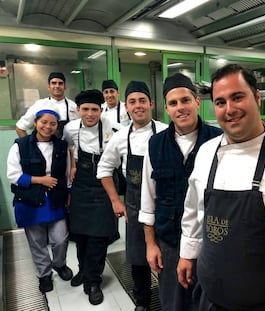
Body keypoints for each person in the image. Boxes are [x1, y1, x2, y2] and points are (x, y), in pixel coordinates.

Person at [176, 64, 265, 310]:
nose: (230, 109)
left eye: (237, 97)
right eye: (220, 102)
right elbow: (193, 210)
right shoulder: (207, 152)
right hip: (210, 298)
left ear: (257, 97)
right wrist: (187, 253)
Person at [139, 73, 222, 311]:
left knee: (209, 302)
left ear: (197, 102)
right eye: (173, 103)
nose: (180, 108)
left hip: (211, 243)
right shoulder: (155, 145)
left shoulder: (218, 141)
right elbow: (148, 198)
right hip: (170, 241)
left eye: (185, 100)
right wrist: (150, 244)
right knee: (173, 302)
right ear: (166, 108)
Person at [97, 81, 168, 311]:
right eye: (133, 102)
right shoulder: (120, 137)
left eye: (142, 101)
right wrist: (116, 200)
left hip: (166, 202)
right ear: (126, 106)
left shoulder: (167, 131)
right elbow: (104, 169)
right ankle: (143, 302)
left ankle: (170, 297)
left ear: (151, 104)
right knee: (139, 258)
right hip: (135, 204)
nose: (138, 106)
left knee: (168, 252)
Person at [62, 89, 123, 305]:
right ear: (78, 110)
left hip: (103, 185)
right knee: (81, 235)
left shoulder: (113, 128)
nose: (90, 114)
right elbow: (68, 148)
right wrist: (73, 165)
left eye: (94, 109)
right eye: (85, 109)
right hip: (81, 186)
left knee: (98, 237)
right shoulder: (70, 129)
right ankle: (83, 271)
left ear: (101, 110)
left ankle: (94, 280)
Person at [7, 108, 73, 293]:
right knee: (37, 241)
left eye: (52, 124)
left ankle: (59, 264)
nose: (48, 126)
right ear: (35, 123)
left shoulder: (61, 146)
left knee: (60, 239)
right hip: (29, 200)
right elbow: (12, 175)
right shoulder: (20, 145)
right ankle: (44, 274)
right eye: (44, 122)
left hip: (55, 198)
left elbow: (66, 173)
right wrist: (39, 180)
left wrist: (68, 193)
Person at [16, 72, 78, 138]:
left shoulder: (74, 106)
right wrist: (29, 146)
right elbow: (20, 128)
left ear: (65, 87)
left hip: (67, 147)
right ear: (48, 86)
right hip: (45, 147)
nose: (57, 86)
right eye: (53, 83)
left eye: (60, 83)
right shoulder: (39, 105)